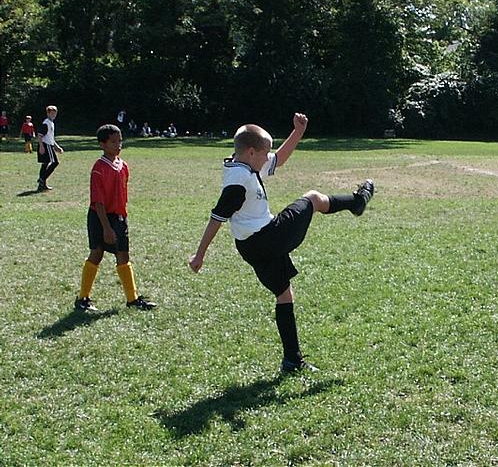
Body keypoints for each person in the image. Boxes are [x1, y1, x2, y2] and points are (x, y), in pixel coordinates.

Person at [189, 113, 375, 373]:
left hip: (251, 248)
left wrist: (297, 131)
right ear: (252, 152)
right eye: (265, 153)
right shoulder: (238, 181)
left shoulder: (243, 165)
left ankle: (292, 359)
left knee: (284, 295)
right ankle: (355, 203)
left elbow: (279, 159)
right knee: (312, 198)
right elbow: (216, 218)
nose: (269, 157)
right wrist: (199, 255)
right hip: (268, 238)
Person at [74, 124, 156, 313]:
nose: (118, 145)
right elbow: (98, 202)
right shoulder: (99, 168)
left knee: (123, 254)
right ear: (102, 144)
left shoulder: (123, 165)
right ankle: (82, 298)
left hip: (119, 217)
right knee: (97, 253)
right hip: (100, 217)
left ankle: (133, 299)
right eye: (113, 142)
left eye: (120, 141)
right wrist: (106, 228)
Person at [37, 105, 64, 191]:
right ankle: (42, 179)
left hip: (49, 145)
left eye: (55, 113)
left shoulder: (51, 123)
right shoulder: (46, 123)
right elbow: (40, 135)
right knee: (55, 162)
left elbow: (50, 137)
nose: (53, 115)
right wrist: (41, 146)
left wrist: (57, 147)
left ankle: (42, 185)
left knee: (45, 164)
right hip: (46, 145)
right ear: (48, 113)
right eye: (52, 113)